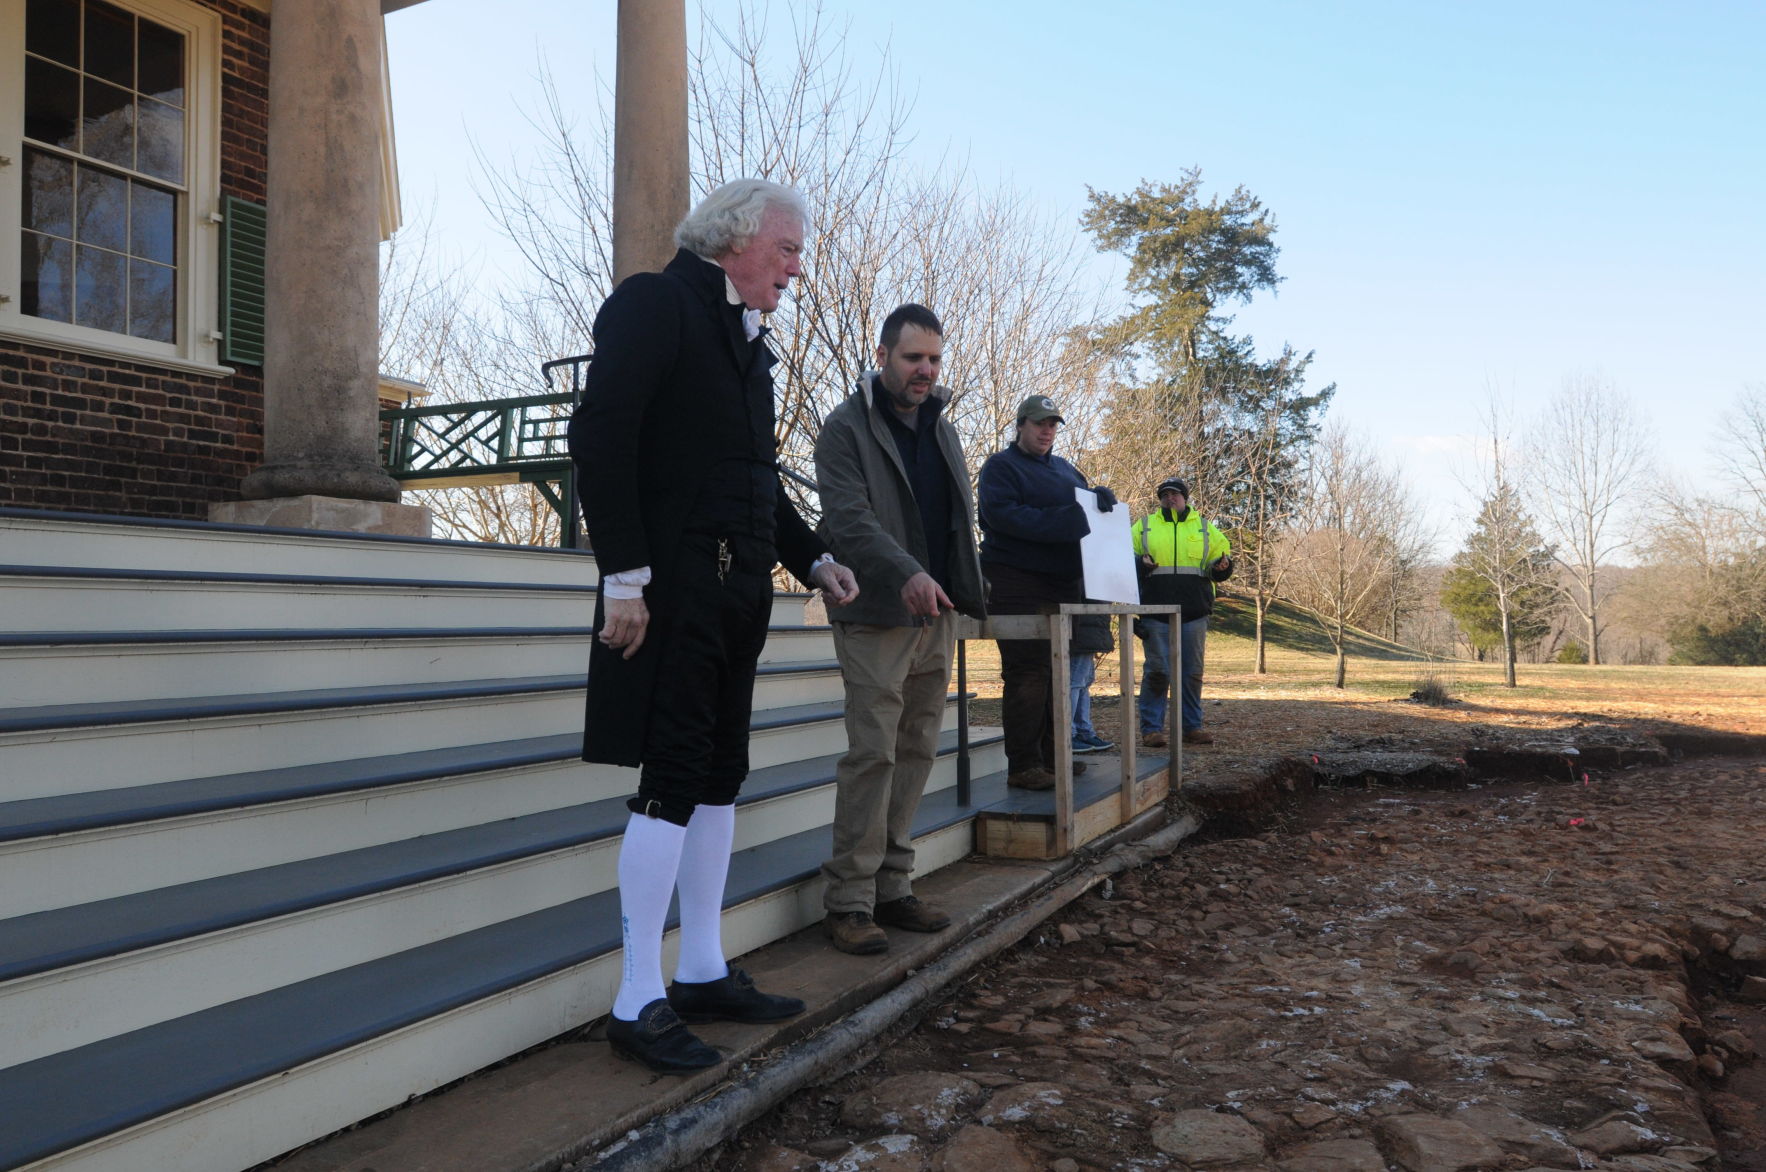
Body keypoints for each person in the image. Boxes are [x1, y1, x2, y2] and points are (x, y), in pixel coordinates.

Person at [567, 179, 859, 1074]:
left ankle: (697, 968)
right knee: (674, 774)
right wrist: (623, 575)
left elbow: (754, 478)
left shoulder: (749, 345)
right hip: (670, 590)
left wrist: (810, 557)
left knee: (720, 777)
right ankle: (635, 996)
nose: (797, 269)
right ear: (735, 239)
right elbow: (600, 435)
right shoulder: (656, 306)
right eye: (789, 250)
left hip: (738, 595)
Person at [813, 303, 987, 956]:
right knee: (873, 754)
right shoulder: (843, 430)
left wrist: (967, 590)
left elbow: (956, 519)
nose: (926, 370)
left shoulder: (942, 426)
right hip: (874, 614)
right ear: (882, 353)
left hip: (934, 615)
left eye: (935, 358)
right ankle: (849, 902)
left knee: (916, 751)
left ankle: (894, 886)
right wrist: (907, 572)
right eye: (913, 357)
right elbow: (850, 521)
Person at [976, 395, 1116, 791]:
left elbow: (1085, 520)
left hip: (1063, 583)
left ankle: (1054, 759)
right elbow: (1001, 517)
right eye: (1039, 423)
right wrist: (1072, 517)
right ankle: (1023, 765)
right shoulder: (1000, 468)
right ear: (1020, 425)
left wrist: (1098, 502)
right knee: (1027, 672)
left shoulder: (1067, 470)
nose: (1047, 430)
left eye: (1053, 424)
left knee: (1057, 670)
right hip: (1014, 580)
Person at [1133, 477, 1233, 747]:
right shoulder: (1143, 527)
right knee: (1158, 671)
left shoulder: (1205, 528)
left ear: (1185, 498)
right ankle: (1152, 730)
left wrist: (1222, 567)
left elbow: (1220, 562)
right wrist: (1139, 564)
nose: (1170, 498)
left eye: (1175, 494)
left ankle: (1191, 727)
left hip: (1194, 613)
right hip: (1154, 613)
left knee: (1191, 673)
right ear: (1160, 499)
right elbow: (1124, 562)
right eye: (1165, 494)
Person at [1069, 613, 1116, 755]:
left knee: (1083, 683)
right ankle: (1069, 734)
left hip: (1088, 630)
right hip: (1082, 630)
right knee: (1074, 684)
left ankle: (1083, 732)